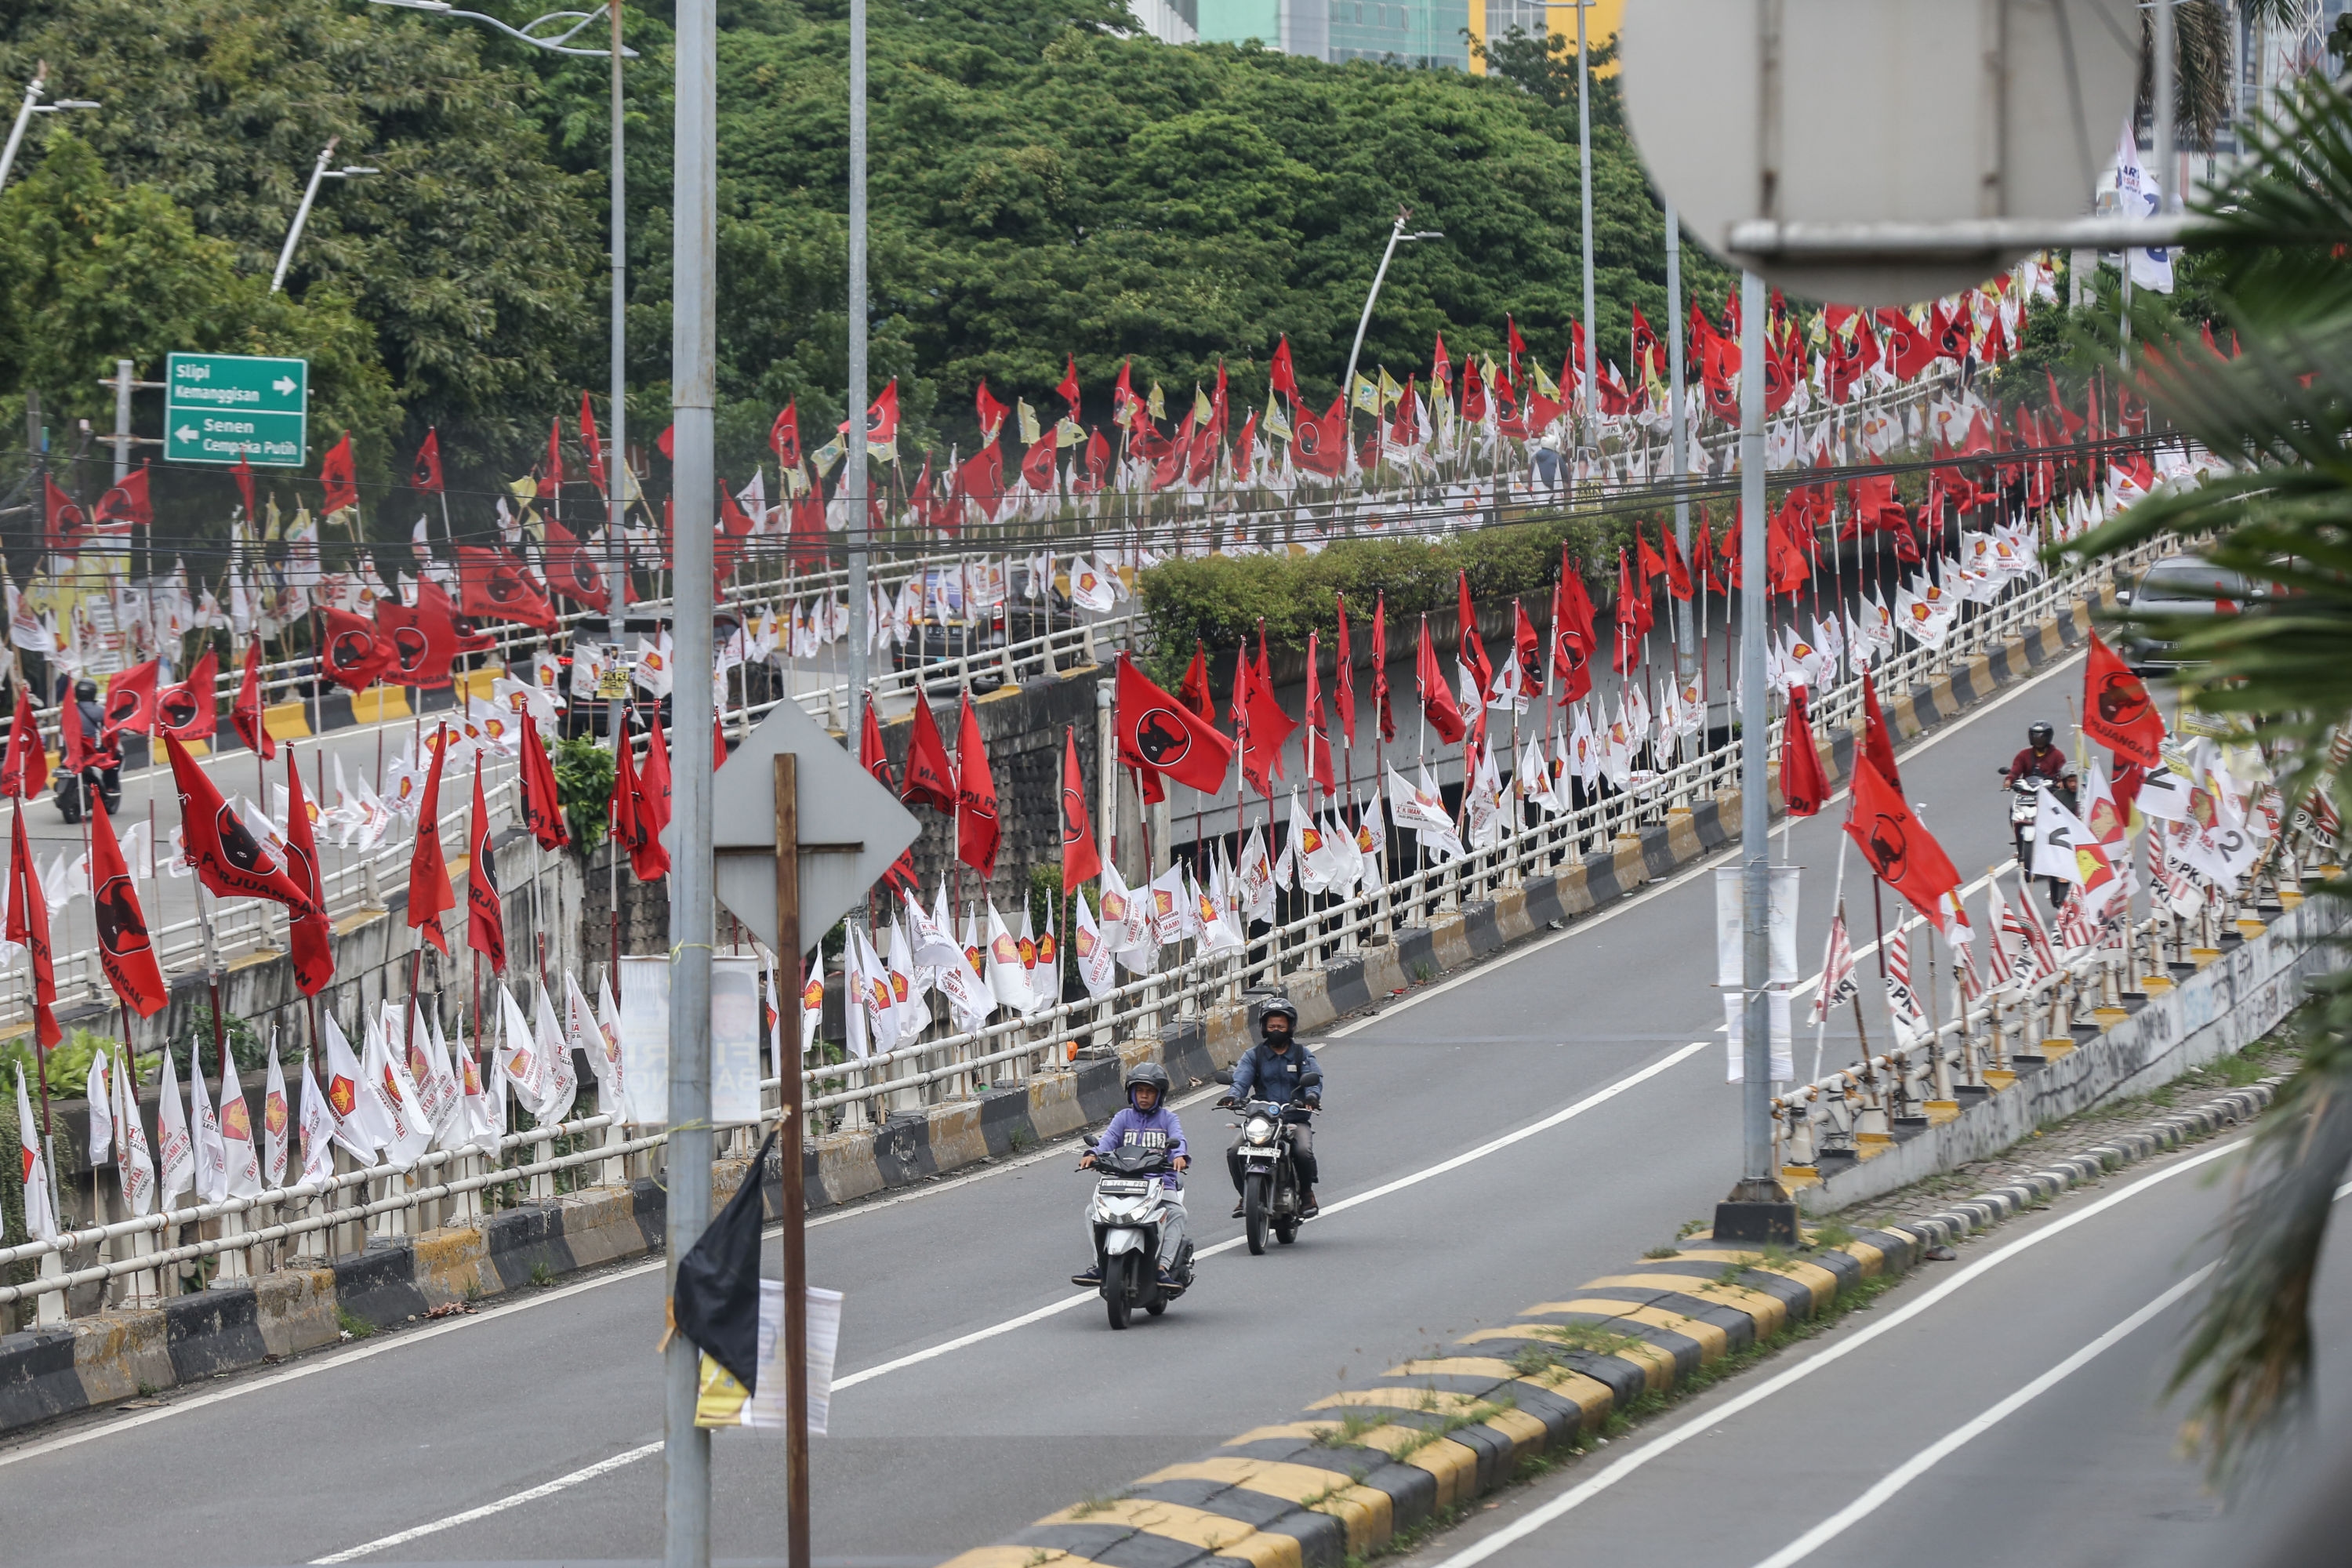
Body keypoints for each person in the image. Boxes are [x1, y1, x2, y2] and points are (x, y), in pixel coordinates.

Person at [1073, 1062, 1189, 1289]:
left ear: (1160, 1095)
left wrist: (1179, 1156)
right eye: (1140, 1091)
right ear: (1131, 1093)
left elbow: (1178, 1140)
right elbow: (1107, 1141)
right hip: (1122, 1183)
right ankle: (1100, 1265)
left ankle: (1162, 1268)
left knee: (1177, 1213)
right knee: (1092, 1212)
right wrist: (1093, 1154)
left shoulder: (1168, 1119)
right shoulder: (1123, 1118)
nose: (1144, 1096)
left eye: (1150, 1092)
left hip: (1159, 1184)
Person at [1226, 997, 1322, 1220]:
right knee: (1234, 1151)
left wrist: (1311, 1097)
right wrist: (1233, 1097)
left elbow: (1314, 1080)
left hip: (1293, 1118)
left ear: (1290, 1027)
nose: (1276, 1030)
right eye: (1272, 1027)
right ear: (1263, 1028)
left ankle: (1307, 1194)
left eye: (1281, 1026)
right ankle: (1245, 1195)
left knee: (1302, 1151)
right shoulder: (1254, 1055)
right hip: (1262, 1120)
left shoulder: (1301, 1055)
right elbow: (1241, 1081)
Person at [2003, 721, 2078, 804]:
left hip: (2049, 793)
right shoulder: (2023, 754)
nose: (2038, 740)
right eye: (2035, 737)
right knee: (2014, 808)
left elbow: (2062, 772)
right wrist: (2009, 780)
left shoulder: (2057, 755)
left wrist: (2060, 782)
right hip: (2027, 794)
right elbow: (2016, 770)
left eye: (2041, 737)